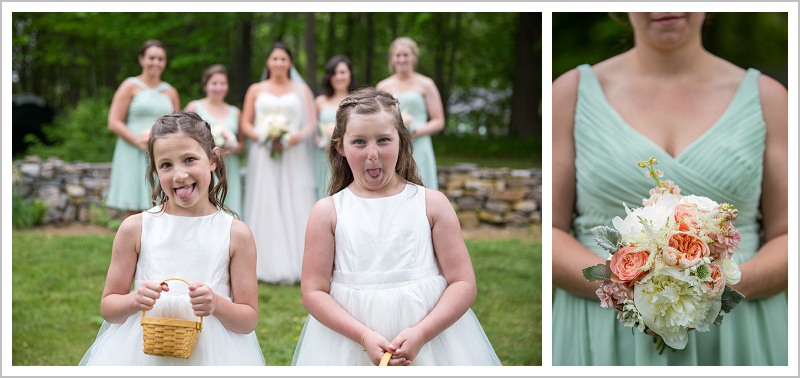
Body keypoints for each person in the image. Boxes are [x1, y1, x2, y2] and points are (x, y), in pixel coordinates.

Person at [552, 12, 788, 365]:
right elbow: (550, 230)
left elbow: (789, 233)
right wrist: (628, 291)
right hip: (602, 332)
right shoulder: (568, 94)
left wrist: (716, 291)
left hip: (740, 332)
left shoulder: (770, 98)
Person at [292, 88, 501, 366]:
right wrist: (363, 335)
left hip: (430, 341)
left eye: (383, 140)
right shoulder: (328, 212)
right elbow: (313, 291)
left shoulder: (432, 204)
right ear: (340, 146)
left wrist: (422, 332)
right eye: (359, 142)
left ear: (401, 140)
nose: (373, 154)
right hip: (349, 344)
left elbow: (463, 282)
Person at [80, 111, 265, 365]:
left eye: (189, 159)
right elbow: (109, 308)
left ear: (213, 159)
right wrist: (134, 300)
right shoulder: (135, 228)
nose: (179, 175)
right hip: (142, 352)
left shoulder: (236, 233)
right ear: (155, 169)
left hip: (214, 355)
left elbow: (248, 320)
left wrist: (217, 305)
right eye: (166, 165)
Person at [240, 42, 317, 284]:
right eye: (275, 59)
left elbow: (311, 125)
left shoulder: (302, 90)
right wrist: (263, 137)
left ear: (290, 63)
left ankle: (299, 263)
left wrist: (292, 138)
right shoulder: (255, 89)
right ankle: (263, 263)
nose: (279, 63)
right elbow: (245, 123)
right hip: (264, 153)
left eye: (283, 59)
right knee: (266, 200)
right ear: (268, 62)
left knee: (293, 200)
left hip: (293, 153)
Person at [106, 39, 180, 219]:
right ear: (141, 59)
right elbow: (114, 121)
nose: (156, 63)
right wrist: (139, 143)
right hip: (132, 149)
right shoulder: (129, 86)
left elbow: (179, 125)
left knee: (163, 204)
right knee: (133, 207)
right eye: (151, 58)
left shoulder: (170, 92)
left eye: (161, 59)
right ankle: (130, 245)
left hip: (162, 152)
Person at [376, 37, 444, 190]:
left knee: (421, 185)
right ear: (392, 58)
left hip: (419, 143)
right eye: (397, 55)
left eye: (405, 55)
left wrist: (414, 132)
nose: (402, 59)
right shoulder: (383, 85)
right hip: (392, 143)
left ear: (414, 57)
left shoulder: (426, 84)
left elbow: (439, 121)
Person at [185, 64, 245, 216]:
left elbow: (242, 145)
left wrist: (229, 147)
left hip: (229, 166)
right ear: (206, 85)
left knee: (228, 206)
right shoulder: (194, 107)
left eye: (222, 83)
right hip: (203, 164)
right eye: (214, 83)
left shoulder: (235, 112)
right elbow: (183, 138)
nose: (219, 87)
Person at [313, 55, 356, 200]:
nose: (339, 77)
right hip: (325, 157)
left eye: (342, 72)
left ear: (350, 74)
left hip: (352, 156)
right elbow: (313, 132)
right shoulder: (320, 102)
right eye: (334, 73)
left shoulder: (358, 100)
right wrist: (323, 143)